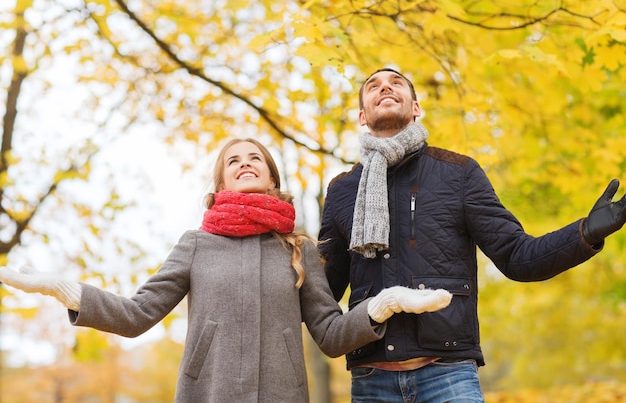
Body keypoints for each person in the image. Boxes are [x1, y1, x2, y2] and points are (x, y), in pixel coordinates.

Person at [0, 137, 453, 403]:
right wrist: (65, 290)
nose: (245, 164)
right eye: (233, 160)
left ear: (271, 179)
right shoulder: (195, 244)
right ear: (220, 183)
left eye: (255, 158)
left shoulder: (298, 247)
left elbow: (331, 335)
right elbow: (138, 315)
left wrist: (384, 304)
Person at [318, 68, 626, 402]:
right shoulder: (342, 191)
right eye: (373, 86)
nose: (385, 88)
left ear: (416, 107)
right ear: (363, 115)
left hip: (448, 375)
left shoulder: (458, 173)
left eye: (396, 84)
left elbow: (516, 256)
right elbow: (322, 292)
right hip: (371, 379)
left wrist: (585, 233)